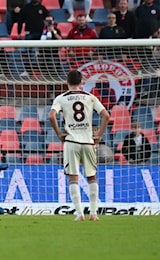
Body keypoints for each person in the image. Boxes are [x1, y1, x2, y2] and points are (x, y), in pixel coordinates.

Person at [48, 70, 110, 221]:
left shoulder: (62, 98)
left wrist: (59, 134)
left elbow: (51, 115)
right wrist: (99, 135)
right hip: (88, 142)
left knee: (73, 178)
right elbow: (106, 115)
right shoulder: (90, 97)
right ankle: (94, 214)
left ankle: (79, 213)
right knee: (92, 177)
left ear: (67, 82)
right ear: (82, 82)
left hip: (71, 142)